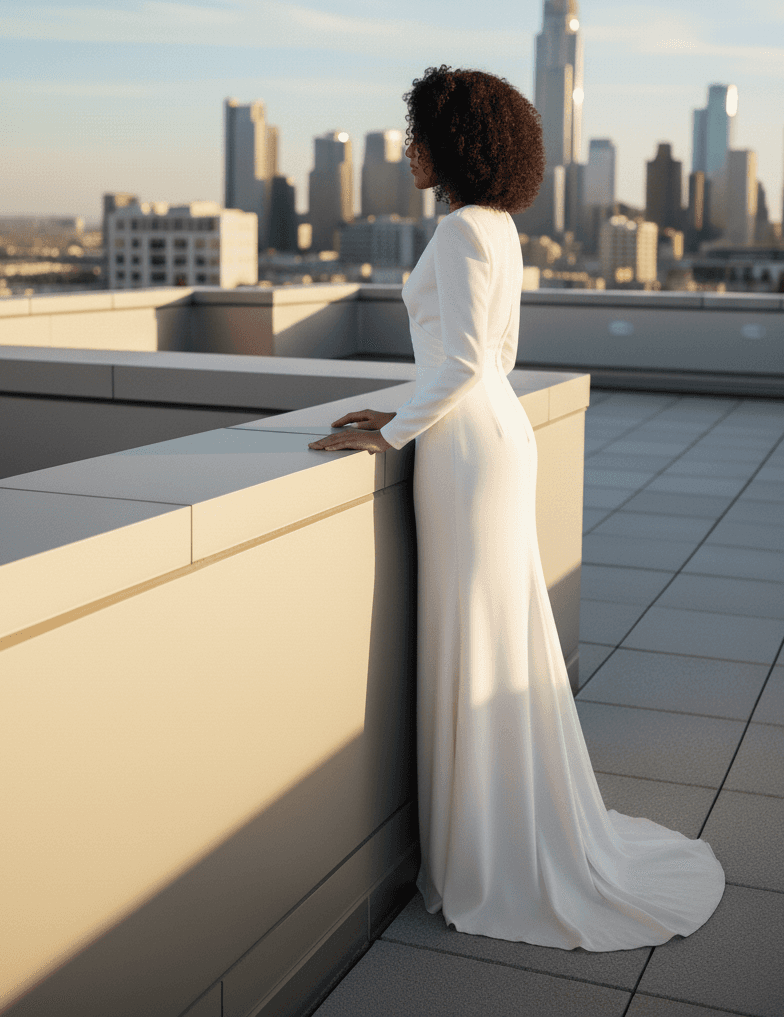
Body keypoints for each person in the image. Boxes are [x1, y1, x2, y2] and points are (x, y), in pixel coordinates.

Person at [308, 66, 724, 951]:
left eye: (420, 135)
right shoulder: (498, 227)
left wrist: (395, 434)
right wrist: (401, 411)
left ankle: (488, 855)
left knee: (476, 632)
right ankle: (498, 835)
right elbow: (493, 357)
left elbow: (462, 363)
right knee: (496, 632)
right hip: (489, 437)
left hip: (464, 452)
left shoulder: (462, 230)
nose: (409, 150)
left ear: (455, 143)